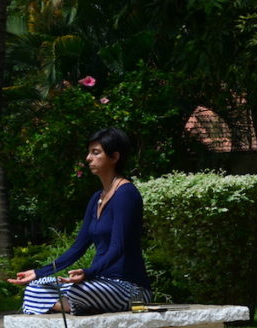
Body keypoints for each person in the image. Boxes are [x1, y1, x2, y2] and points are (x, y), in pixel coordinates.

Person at [8, 127, 152, 315]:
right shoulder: (97, 198)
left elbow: (118, 247)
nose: (88, 158)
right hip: (99, 283)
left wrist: (88, 272)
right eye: (89, 152)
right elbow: (78, 247)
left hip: (130, 288)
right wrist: (38, 272)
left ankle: (75, 305)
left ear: (114, 157)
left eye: (95, 152)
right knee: (36, 287)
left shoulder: (126, 194)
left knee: (79, 290)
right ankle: (80, 307)